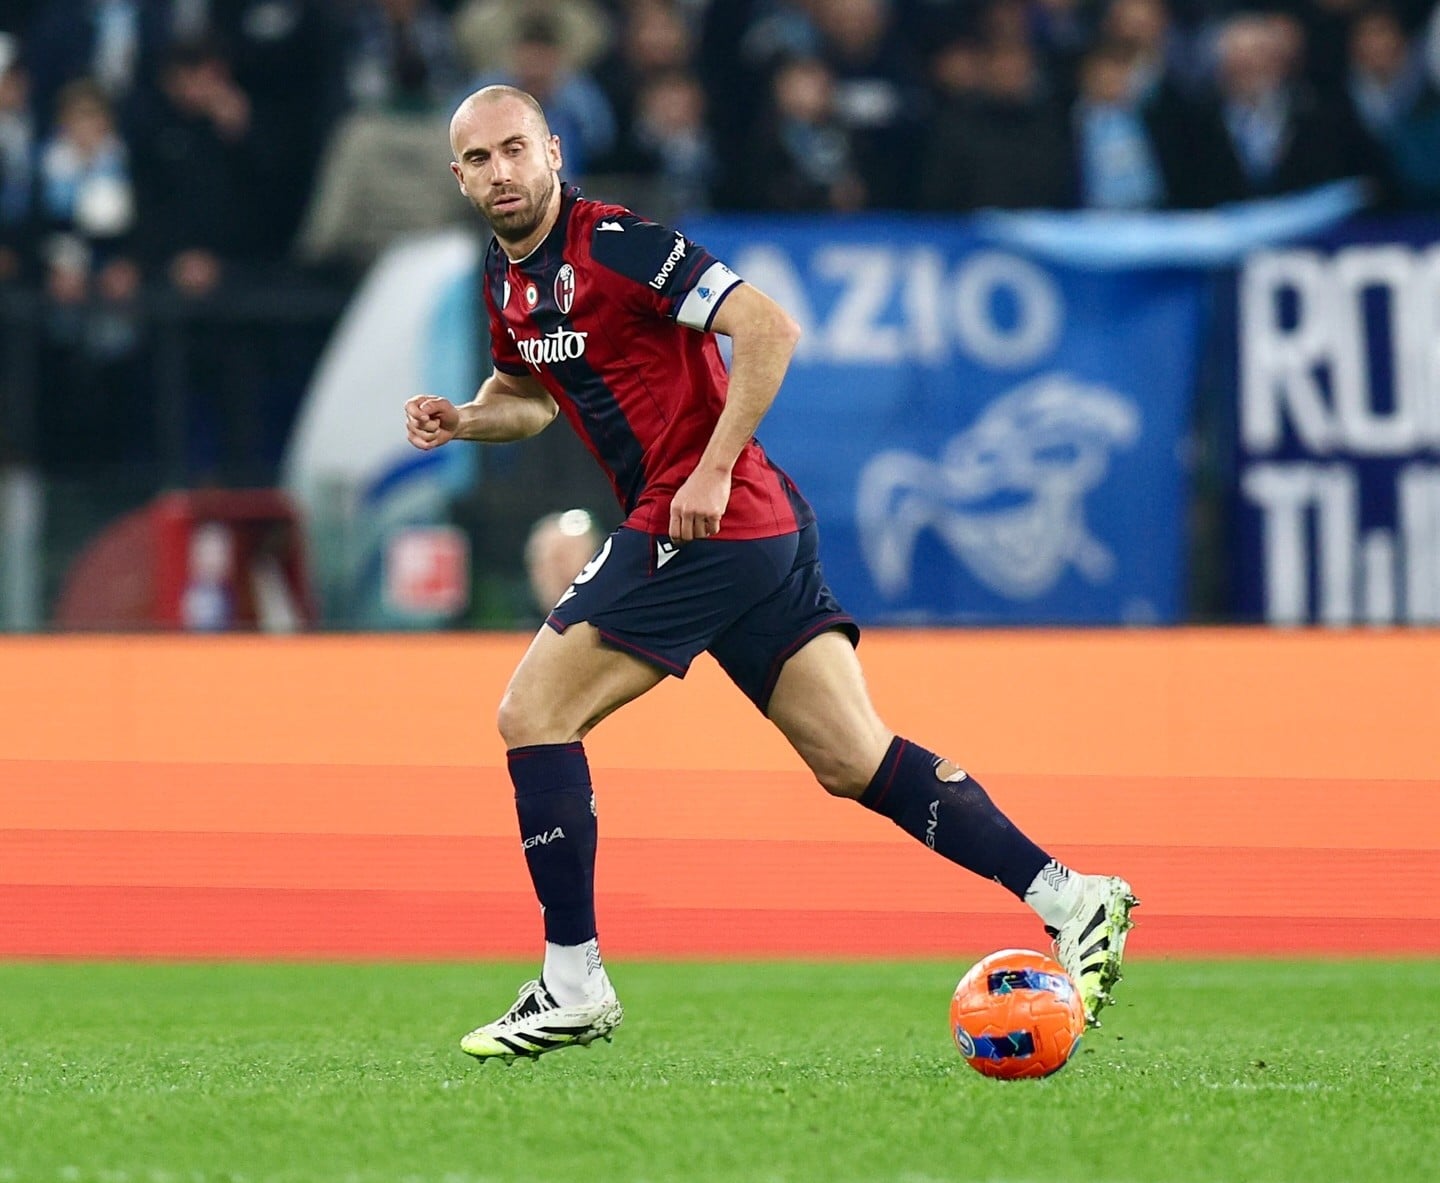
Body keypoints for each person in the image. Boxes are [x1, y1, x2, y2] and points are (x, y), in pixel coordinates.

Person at [404, 85, 1138, 1061]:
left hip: (703, 516)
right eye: (480, 160)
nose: (502, 173)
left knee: (532, 714)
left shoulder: (616, 242)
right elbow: (528, 399)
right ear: (459, 178)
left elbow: (769, 327)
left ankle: (572, 979)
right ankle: (1073, 897)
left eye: (515, 150)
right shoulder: (507, 285)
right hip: (753, 527)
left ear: (552, 150)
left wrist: (708, 466)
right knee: (854, 758)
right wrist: (461, 415)